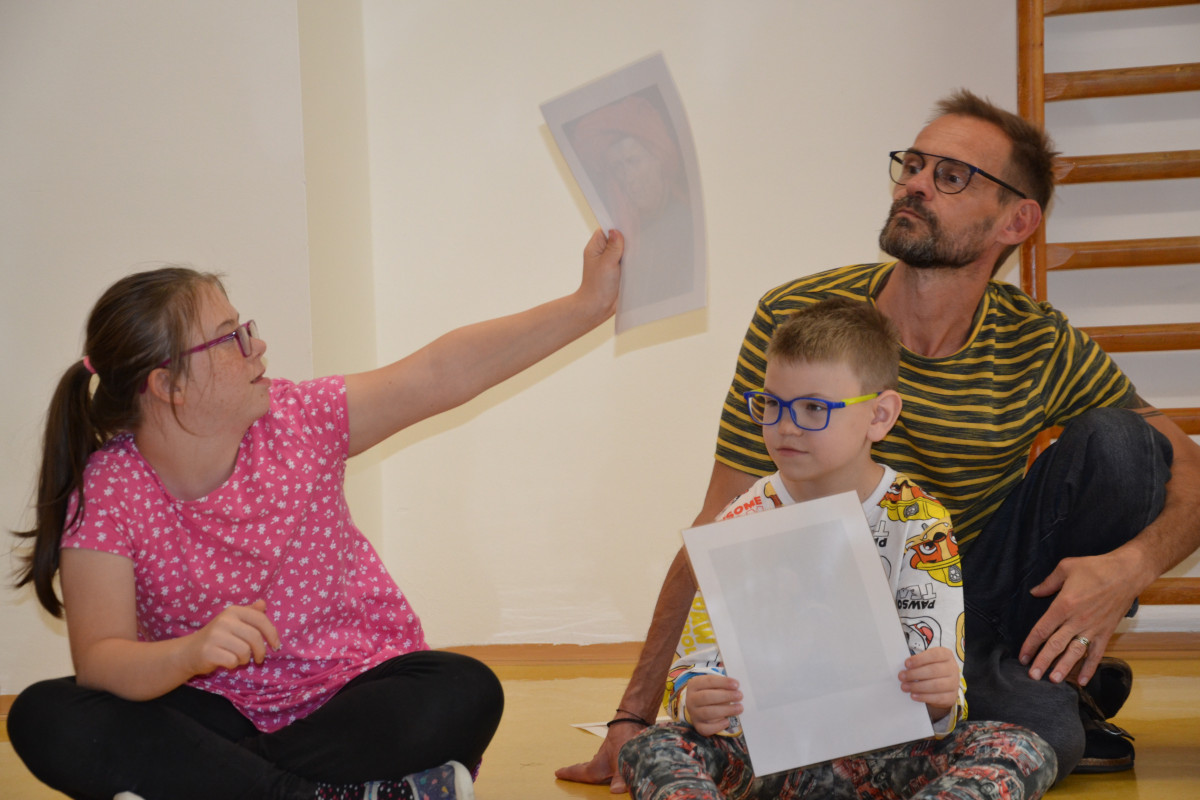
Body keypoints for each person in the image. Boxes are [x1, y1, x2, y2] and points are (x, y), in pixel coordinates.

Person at [558, 88, 1199, 791]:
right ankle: (1053, 688)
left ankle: (1051, 669)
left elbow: (1192, 475)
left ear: (1016, 220)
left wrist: (1129, 570)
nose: (916, 185)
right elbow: (720, 523)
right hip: (838, 623)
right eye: (913, 165)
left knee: (1125, 443)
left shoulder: (1041, 342)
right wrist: (633, 713)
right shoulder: (800, 316)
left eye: (951, 176)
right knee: (1051, 738)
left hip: (971, 597)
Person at [8, 228, 623, 800]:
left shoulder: (302, 420)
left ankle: (220, 786)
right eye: (229, 337)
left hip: (348, 699)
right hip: (211, 707)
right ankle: (323, 794)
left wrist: (587, 305)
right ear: (168, 384)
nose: (257, 346)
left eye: (244, 327)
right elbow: (102, 660)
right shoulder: (110, 487)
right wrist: (191, 653)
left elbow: (440, 372)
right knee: (44, 716)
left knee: (463, 690)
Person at [617, 297, 1056, 800]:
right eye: (772, 404)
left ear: (879, 416)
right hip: (764, 753)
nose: (785, 425)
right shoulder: (741, 518)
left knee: (1024, 748)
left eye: (814, 408)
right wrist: (694, 697)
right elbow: (692, 665)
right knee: (651, 747)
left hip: (887, 753)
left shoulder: (919, 520)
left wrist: (938, 695)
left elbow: (941, 688)